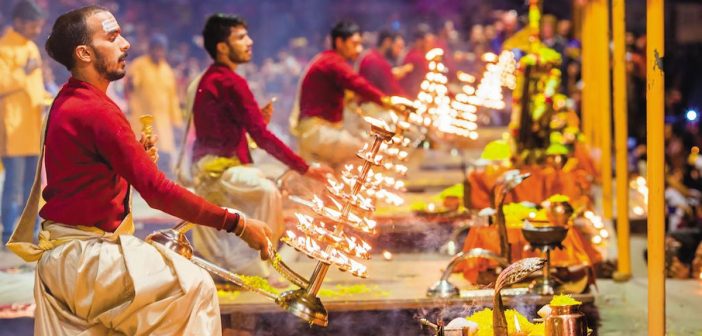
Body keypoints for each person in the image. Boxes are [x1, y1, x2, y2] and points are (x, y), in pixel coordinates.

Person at [5, 6, 272, 334]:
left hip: (68, 261)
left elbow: (86, 177)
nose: (126, 44)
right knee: (195, 287)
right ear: (84, 53)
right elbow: (157, 192)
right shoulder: (94, 109)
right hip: (86, 261)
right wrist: (237, 222)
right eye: (113, 37)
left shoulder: (72, 98)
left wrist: (135, 160)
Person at [188, 14, 330, 279]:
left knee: (271, 183)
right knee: (267, 191)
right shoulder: (229, 81)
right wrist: (306, 168)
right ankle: (258, 261)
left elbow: (232, 130)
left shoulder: (215, 78)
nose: (249, 42)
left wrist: (253, 124)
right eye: (241, 37)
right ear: (222, 47)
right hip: (217, 171)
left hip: (217, 165)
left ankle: (256, 258)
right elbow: (262, 137)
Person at [291, 20, 396, 167]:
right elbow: (358, 84)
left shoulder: (329, 60)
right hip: (318, 133)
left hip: (321, 132)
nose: (359, 50)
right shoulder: (332, 62)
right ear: (340, 42)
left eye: (360, 44)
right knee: (368, 152)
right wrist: (388, 102)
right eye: (354, 44)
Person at [0, 0, 47, 245]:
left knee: (32, 187)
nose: (37, 31)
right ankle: (8, 231)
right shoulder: (3, 48)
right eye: (33, 25)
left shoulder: (31, 48)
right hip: (13, 127)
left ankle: (29, 231)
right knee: (14, 185)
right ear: (18, 22)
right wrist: (24, 72)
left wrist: (49, 100)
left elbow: (35, 88)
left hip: (32, 126)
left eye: (39, 26)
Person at [126, 33, 182, 174]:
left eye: (161, 49)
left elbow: (172, 98)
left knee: (164, 154)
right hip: (143, 120)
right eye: (155, 49)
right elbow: (132, 85)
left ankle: (163, 184)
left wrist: (177, 121)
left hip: (163, 123)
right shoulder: (139, 65)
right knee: (142, 153)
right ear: (150, 49)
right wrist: (131, 82)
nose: (158, 52)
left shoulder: (167, 70)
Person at [357, 30, 406, 97]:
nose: (399, 51)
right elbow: (393, 90)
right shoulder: (378, 61)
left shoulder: (370, 56)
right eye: (398, 46)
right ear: (387, 42)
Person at [399, 23, 435, 99]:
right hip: (413, 96)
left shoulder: (414, 53)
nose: (430, 45)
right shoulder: (416, 57)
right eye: (427, 42)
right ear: (419, 41)